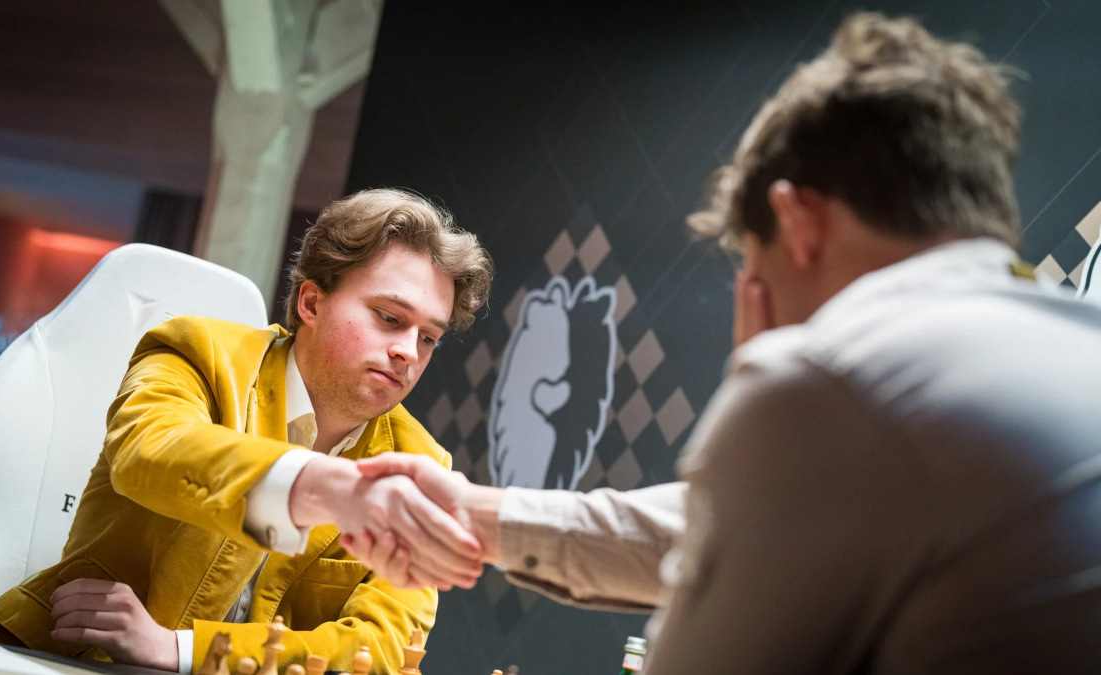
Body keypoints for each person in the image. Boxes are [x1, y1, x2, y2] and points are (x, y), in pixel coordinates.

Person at [344, 13, 1101, 674]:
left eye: (752, 260)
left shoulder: (833, 382)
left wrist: (763, 378)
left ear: (797, 220)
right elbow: (740, 525)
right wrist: (483, 516)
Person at [0, 189, 494, 673]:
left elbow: (379, 649)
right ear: (311, 302)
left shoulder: (423, 464)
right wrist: (321, 486)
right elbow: (149, 451)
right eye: (388, 317)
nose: (407, 351)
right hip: (57, 662)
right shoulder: (195, 351)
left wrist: (183, 651)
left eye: (428, 338)